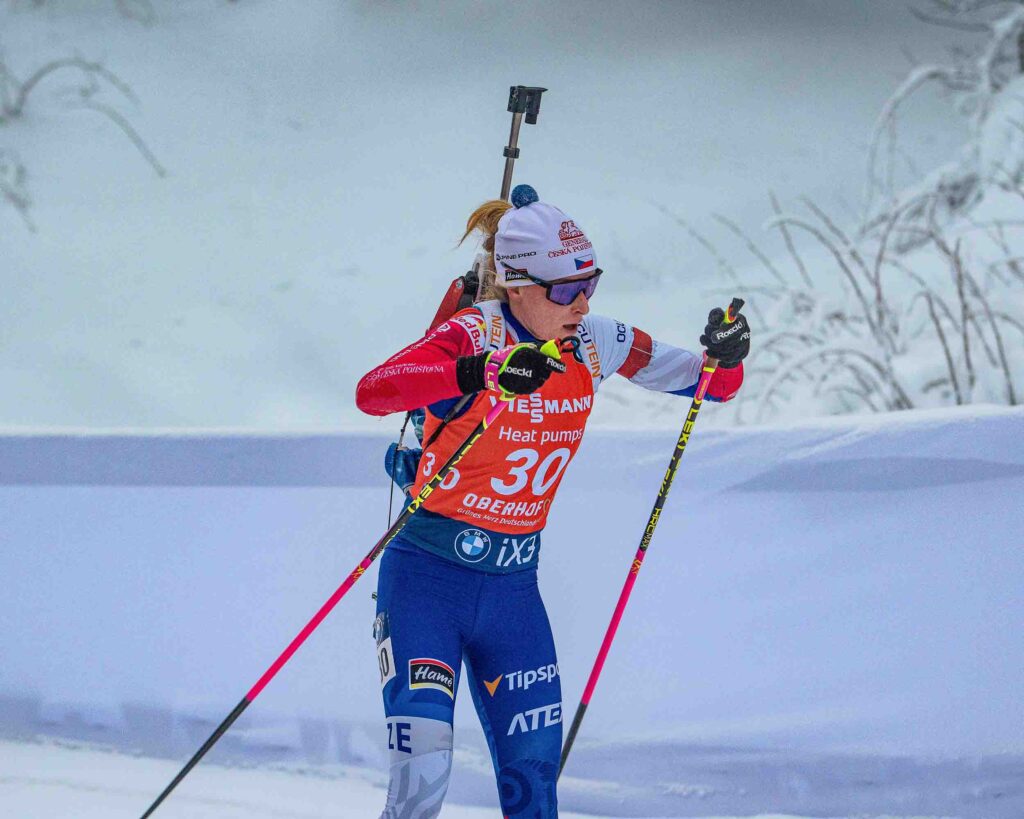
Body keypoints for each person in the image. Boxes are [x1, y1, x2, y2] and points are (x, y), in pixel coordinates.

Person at [355, 185, 750, 818]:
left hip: (513, 593)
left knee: (534, 794)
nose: (582, 303)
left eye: (589, 284)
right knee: (421, 785)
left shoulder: (595, 340)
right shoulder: (474, 333)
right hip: (427, 583)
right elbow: (373, 391)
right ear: (516, 285)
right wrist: (481, 373)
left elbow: (711, 384)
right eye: (565, 291)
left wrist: (726, 356)